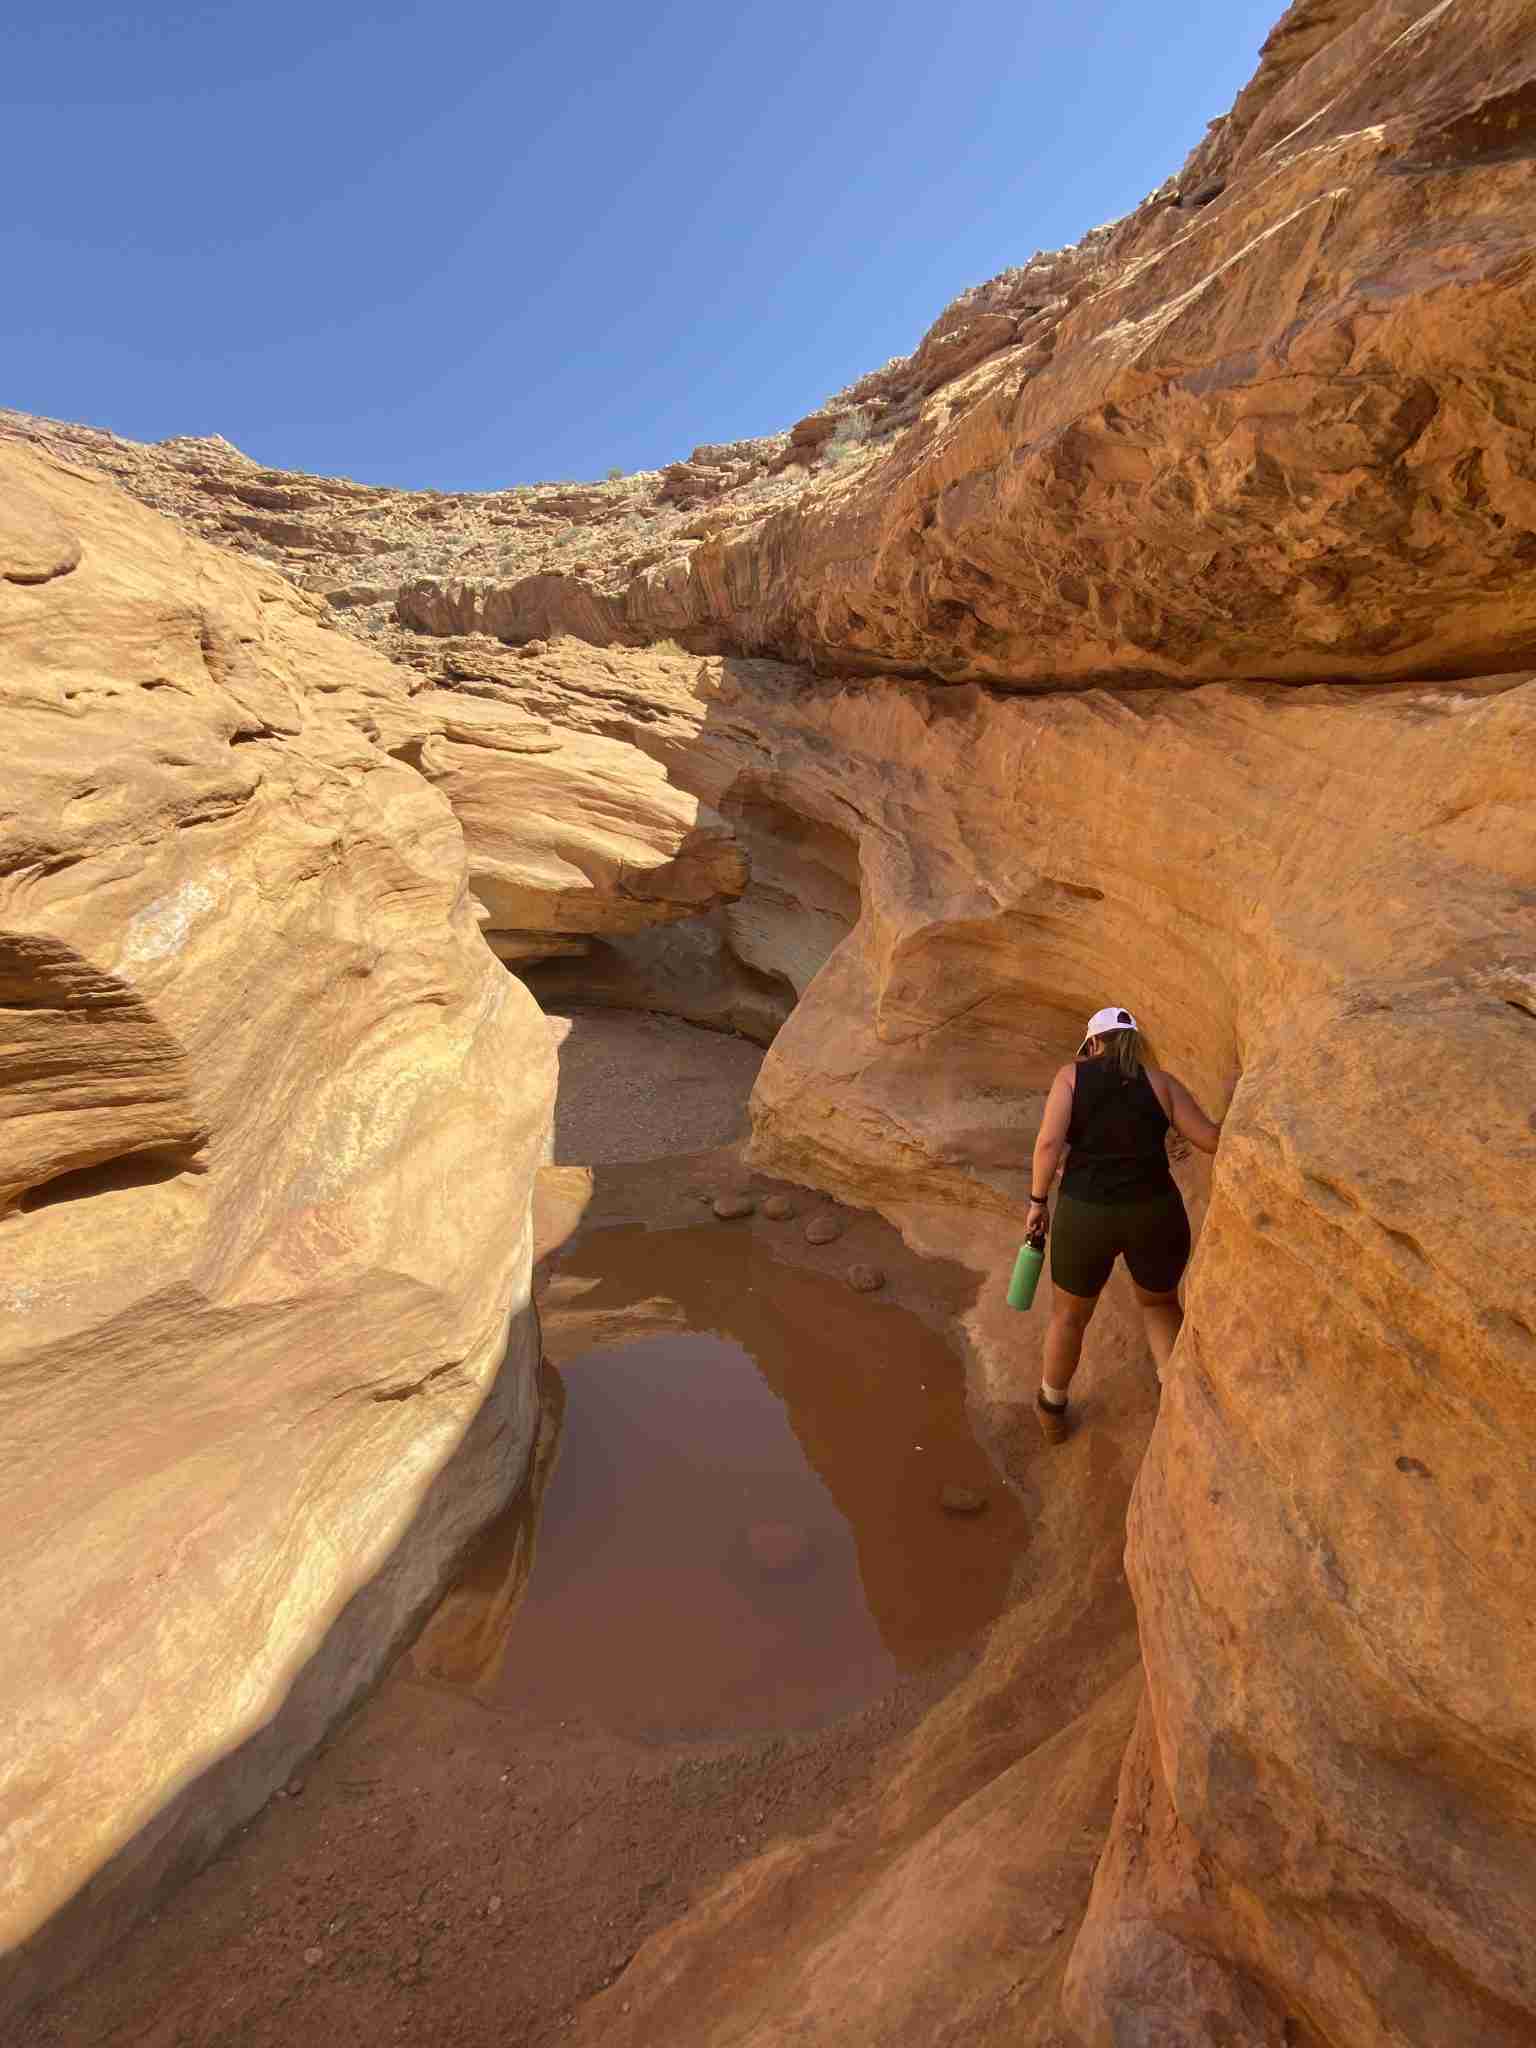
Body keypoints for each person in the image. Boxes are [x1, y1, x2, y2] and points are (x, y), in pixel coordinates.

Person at [1025, 1007, 1221, 1443]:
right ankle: (1177, 1411)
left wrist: (1038, 1202)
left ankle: (1051, 1413)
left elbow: (1048, 1143)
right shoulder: (1161, 1083)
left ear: (1093, 1044)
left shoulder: (1070, 1078)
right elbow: (1210, 1139)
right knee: (1158, 1306)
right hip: (1154, 1211)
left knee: (1069, 1317)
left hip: (1085, 1213)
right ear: (1134, 1045)